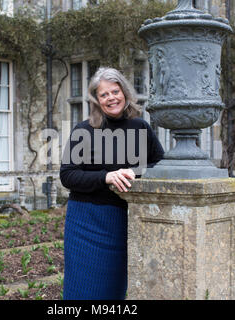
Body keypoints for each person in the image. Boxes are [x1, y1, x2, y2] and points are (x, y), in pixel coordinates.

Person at [60, 67, 164, 300]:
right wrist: (105, 176)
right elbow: (67, 175)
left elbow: (161, 164)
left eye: (115, 91)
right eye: (104, 94)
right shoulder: (84, 130)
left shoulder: (141, 127)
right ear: (97, 100)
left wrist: (135, 171)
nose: (111, 98)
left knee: (113, 291)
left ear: (125, 92)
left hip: (122, 220)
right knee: (81, 290)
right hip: (85, 221)